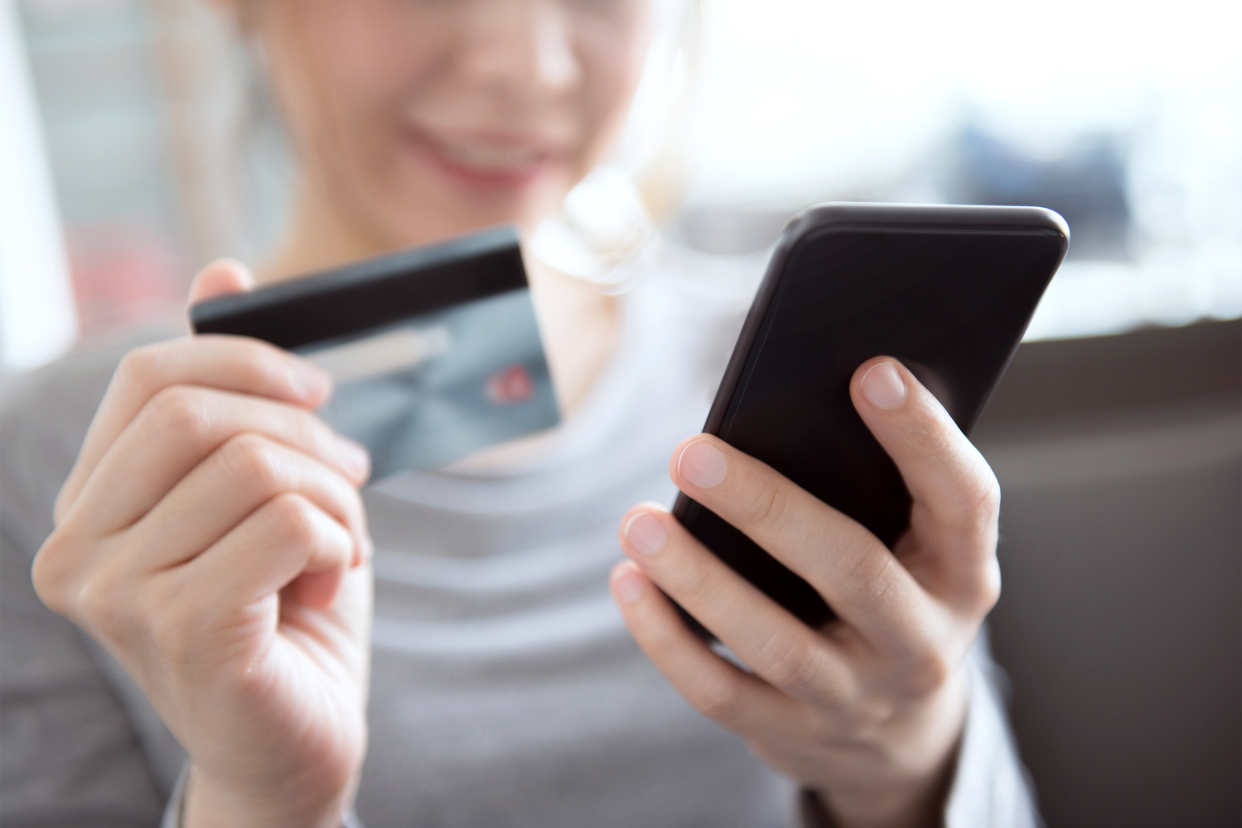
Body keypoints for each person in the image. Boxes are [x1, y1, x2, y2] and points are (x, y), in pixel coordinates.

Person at [0, 0, 1037, 826]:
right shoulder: (55, 468)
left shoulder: (803, 382)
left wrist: (913, 763)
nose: (527, 65)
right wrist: (267, 808)